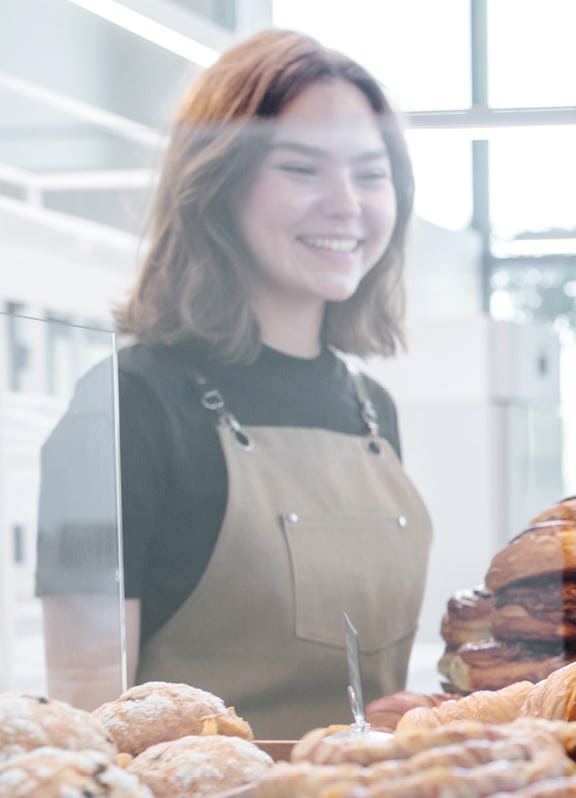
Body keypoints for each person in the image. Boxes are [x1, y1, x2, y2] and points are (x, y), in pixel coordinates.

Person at [35, 30, 431, 737]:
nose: (346, 203)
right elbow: (86, 710)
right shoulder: (119, 407)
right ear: (216, 183)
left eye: (371, 175)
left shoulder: (373, 411)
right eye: (301, 169)